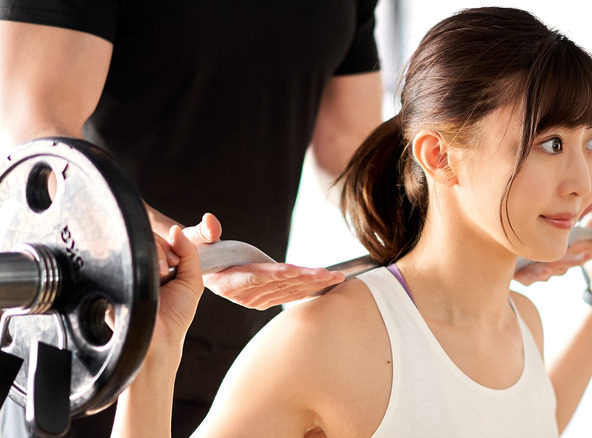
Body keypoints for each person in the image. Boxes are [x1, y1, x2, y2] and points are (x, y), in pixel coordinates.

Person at [112, 6, 592, 437]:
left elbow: (525, 425)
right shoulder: (326, 338)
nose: (582, 181)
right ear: (439, 157)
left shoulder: (523, 322)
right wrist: (151, 359)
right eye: (550, 143)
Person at [0, 1, 383, 436]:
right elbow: (35, 117)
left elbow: (350, 151)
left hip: (239, 349)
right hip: (94, 336)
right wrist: (157, 240)